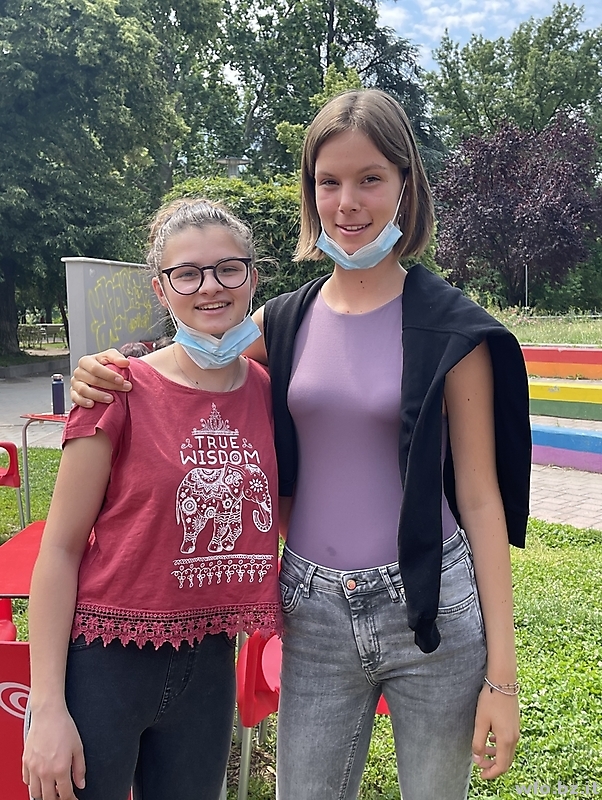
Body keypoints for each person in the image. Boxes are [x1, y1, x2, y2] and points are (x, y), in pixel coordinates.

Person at [69, 89, 531, 800]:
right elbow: (187, 361)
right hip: (312, 609)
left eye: (370, 178)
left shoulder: (452, 330)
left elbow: (479, 498)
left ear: (406, 186)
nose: (347, 203)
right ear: (310, 193)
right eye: (328, 181)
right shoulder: (283, 320)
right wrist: (108, 366)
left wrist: (503, 675)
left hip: (432, 605)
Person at [23, 199, 282, 800]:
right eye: (187, 273)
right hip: (103, 662)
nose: (210, 286)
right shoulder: (115, 389)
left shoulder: (268, 392)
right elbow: (59, 550)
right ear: (161, 289)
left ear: (252, 278)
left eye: (228, 268)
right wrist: (48, 706)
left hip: (209, 661)